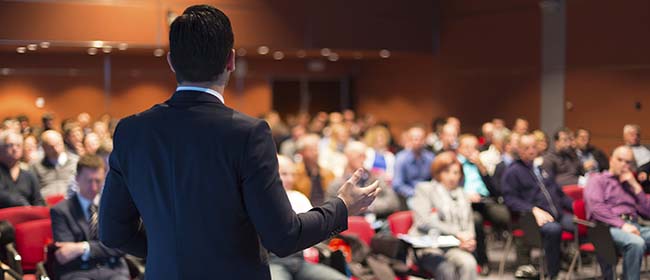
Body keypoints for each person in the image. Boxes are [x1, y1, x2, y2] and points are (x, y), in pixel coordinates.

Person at [98, 5, 379, 280]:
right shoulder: (248, 134)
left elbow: (113, 233)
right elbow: (283, 236)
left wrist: (170, 250)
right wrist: (342, 206)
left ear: (171, 61)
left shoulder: (131, 131)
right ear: (231, 60)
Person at [501, 134, 574, 279]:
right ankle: (552, 274)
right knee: (554, 230)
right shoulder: (513, 171)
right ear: (519, 150)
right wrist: (532, 210)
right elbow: (510, 200)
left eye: (534, 147)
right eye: (527, 148)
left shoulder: (542, 167)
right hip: (531, 219)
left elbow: (559, 193)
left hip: (557, 213)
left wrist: (577, 208)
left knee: (587, 225)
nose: (531, 151)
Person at [51, 155, 129, 280]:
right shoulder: (60, 211)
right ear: (77, 178)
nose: (93, 187)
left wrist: (82, 247)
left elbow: (120, 247)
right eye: (88, 181)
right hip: (78, 271)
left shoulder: (114, 206)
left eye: (98, 181)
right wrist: (102, 248)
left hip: (113, 269)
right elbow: (65, 254)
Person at [271, 155, 347, 280]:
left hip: (300, 262)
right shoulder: (261, 202)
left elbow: (316, 228)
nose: (290, 179)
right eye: (284, 174)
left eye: (292, 174)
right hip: (273, 263)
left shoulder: (298, 197)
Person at [584, 146, 650, 280]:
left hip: (633, 225)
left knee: (636, 240)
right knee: (636, 243)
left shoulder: (629, 184)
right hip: (606, 228)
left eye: (628, 162)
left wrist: (636, 186)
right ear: (611, 160)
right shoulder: (597, 179)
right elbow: (596, 208)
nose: (624, 165)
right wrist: (622, 225)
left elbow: (647, 212)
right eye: (620, 160)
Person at [410, 151, 478, 280]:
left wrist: (469, 239)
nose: (452, 177)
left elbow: (469, 222)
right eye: (447, 172)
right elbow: (423, 221)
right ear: (438, 173)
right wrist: (457, 233)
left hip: (454, 246)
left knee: (469, 263)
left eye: (456, 173)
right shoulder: (425, 189)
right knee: (446, 269)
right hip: (429, 246)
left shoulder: (462, 194)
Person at [393, 126, 435, 209]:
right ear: (409, 140)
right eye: (415, 139)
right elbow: (397, 184)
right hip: (410, 195)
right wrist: (415, 193)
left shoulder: (430, 157)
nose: (418, 142)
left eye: (421, 139)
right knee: (420, 207)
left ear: (425, 140)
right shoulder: (401, 158)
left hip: (428, 193)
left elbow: (435, 179)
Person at [0, 131, 44, 208]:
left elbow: (38, 201)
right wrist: (23, 204)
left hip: (28, 217)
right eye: (10, 145)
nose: (15, 149)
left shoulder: (29, 175)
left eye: (18, 145)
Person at [31, 130, 78, 198]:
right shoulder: (36, 165)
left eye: (58, 144)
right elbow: (33, 190)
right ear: (44, 148)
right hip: (46, 204)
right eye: (51, 147)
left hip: (69, 204)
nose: (56, 149)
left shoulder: (75, 161)